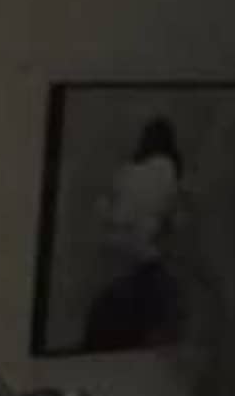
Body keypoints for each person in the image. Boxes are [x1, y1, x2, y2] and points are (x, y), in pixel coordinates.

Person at [79, 111, 190, 352]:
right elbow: (173, 219)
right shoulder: (165, 171)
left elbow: (107, 210)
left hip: (123, 260)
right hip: (143, 262)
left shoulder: (126, 172)